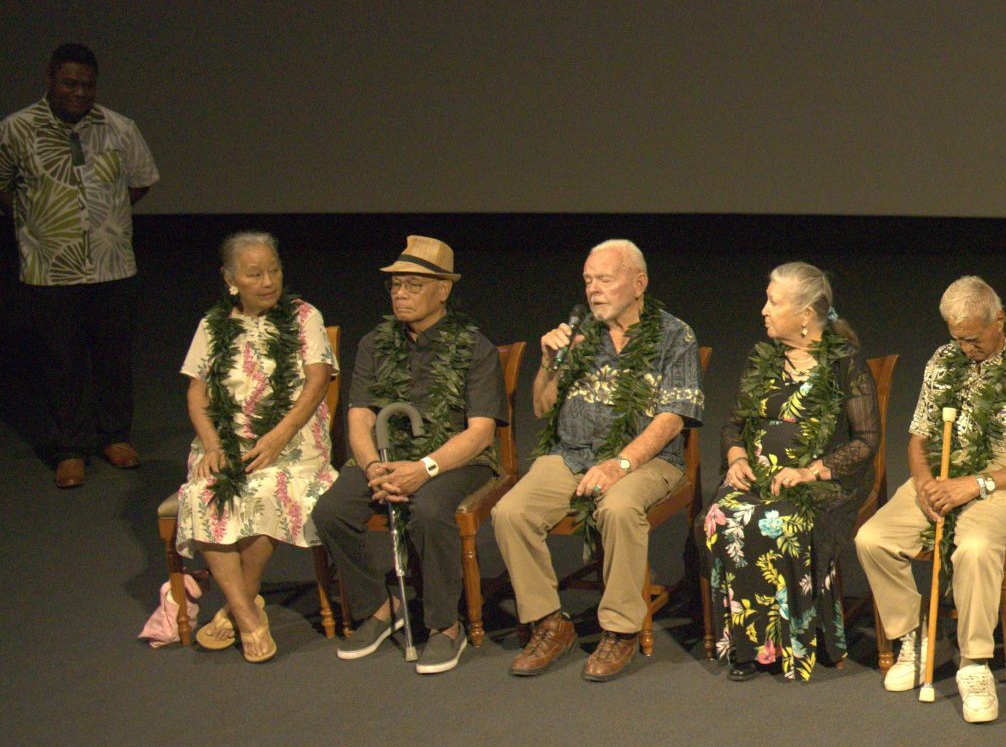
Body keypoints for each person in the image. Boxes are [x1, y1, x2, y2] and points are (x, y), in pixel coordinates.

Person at [853, 276, 1006, 723]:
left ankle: (974, 663)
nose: (966, 347)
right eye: (957, 338)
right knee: (872, 538)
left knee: (975, 545)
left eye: (973, 337)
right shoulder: (942, 362)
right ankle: (917, 636)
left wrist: (977, 485)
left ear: (999, 320)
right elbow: (918, 437)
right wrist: (926, 481)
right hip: (946, 473)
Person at [494, 239, 703, 681]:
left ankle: (620, 628)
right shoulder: (578, 336)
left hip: (647, 461)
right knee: (510, 512)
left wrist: (619, 465)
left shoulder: (674, 334)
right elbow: (542, 408)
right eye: (589, 280)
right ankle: (550, 623)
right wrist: (549, 364)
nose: (594, 290)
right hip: (570, 454)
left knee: (619, 507)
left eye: (605, 279)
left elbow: (672, 418)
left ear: (639, 283)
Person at [311, 236, 503, 675]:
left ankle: (443, 626)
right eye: (395, 285)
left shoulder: (475, 348)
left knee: (431, 508)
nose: (400, 294)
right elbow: (358, 415)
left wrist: (424, 468)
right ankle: (379, 607)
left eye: (413, 285)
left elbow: (480, 433)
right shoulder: (374, 344)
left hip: (456, 461)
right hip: (385, 454)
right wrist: (372, 465)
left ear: (443, 290)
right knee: (331, 511)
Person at [704, 262, 880, 683]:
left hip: (823, 482)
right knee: (722, 517)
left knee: (777, 521)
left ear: (805, 314)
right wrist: (736, 457)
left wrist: (813, 471)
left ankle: (793, 642)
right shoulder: (763, 358)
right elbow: (733, 424)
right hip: (760, 477)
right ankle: (746, 645)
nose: (763, 310)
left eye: (774, 302)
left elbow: (866, 440)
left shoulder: (844, 362)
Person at [172, 232, 336, 663]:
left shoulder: (304, 316)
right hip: (227, 441)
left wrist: (280, 434)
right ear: (230, 280)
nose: (268, 281)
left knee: (266, 490)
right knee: (205, 493)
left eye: (274, 270)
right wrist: (211, 444)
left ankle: (236, 604)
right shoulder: (213, 326)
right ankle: (248, 616)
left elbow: (318, 379)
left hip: (294, 440)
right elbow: (197, 392)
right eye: (255, 274)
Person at [0, 43, 159, 488]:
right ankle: (70, 449)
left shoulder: (118, 127)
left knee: (113, 355)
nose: (79, 93)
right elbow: (3, 184)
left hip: (111, 263)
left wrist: (106, 217)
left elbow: (140, 181)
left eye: (87, 85)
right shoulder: (17, 129)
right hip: (51, 266)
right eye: (70, 83)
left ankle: (114, 436)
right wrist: (37, 218)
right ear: (50, 77)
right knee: (61, 358)